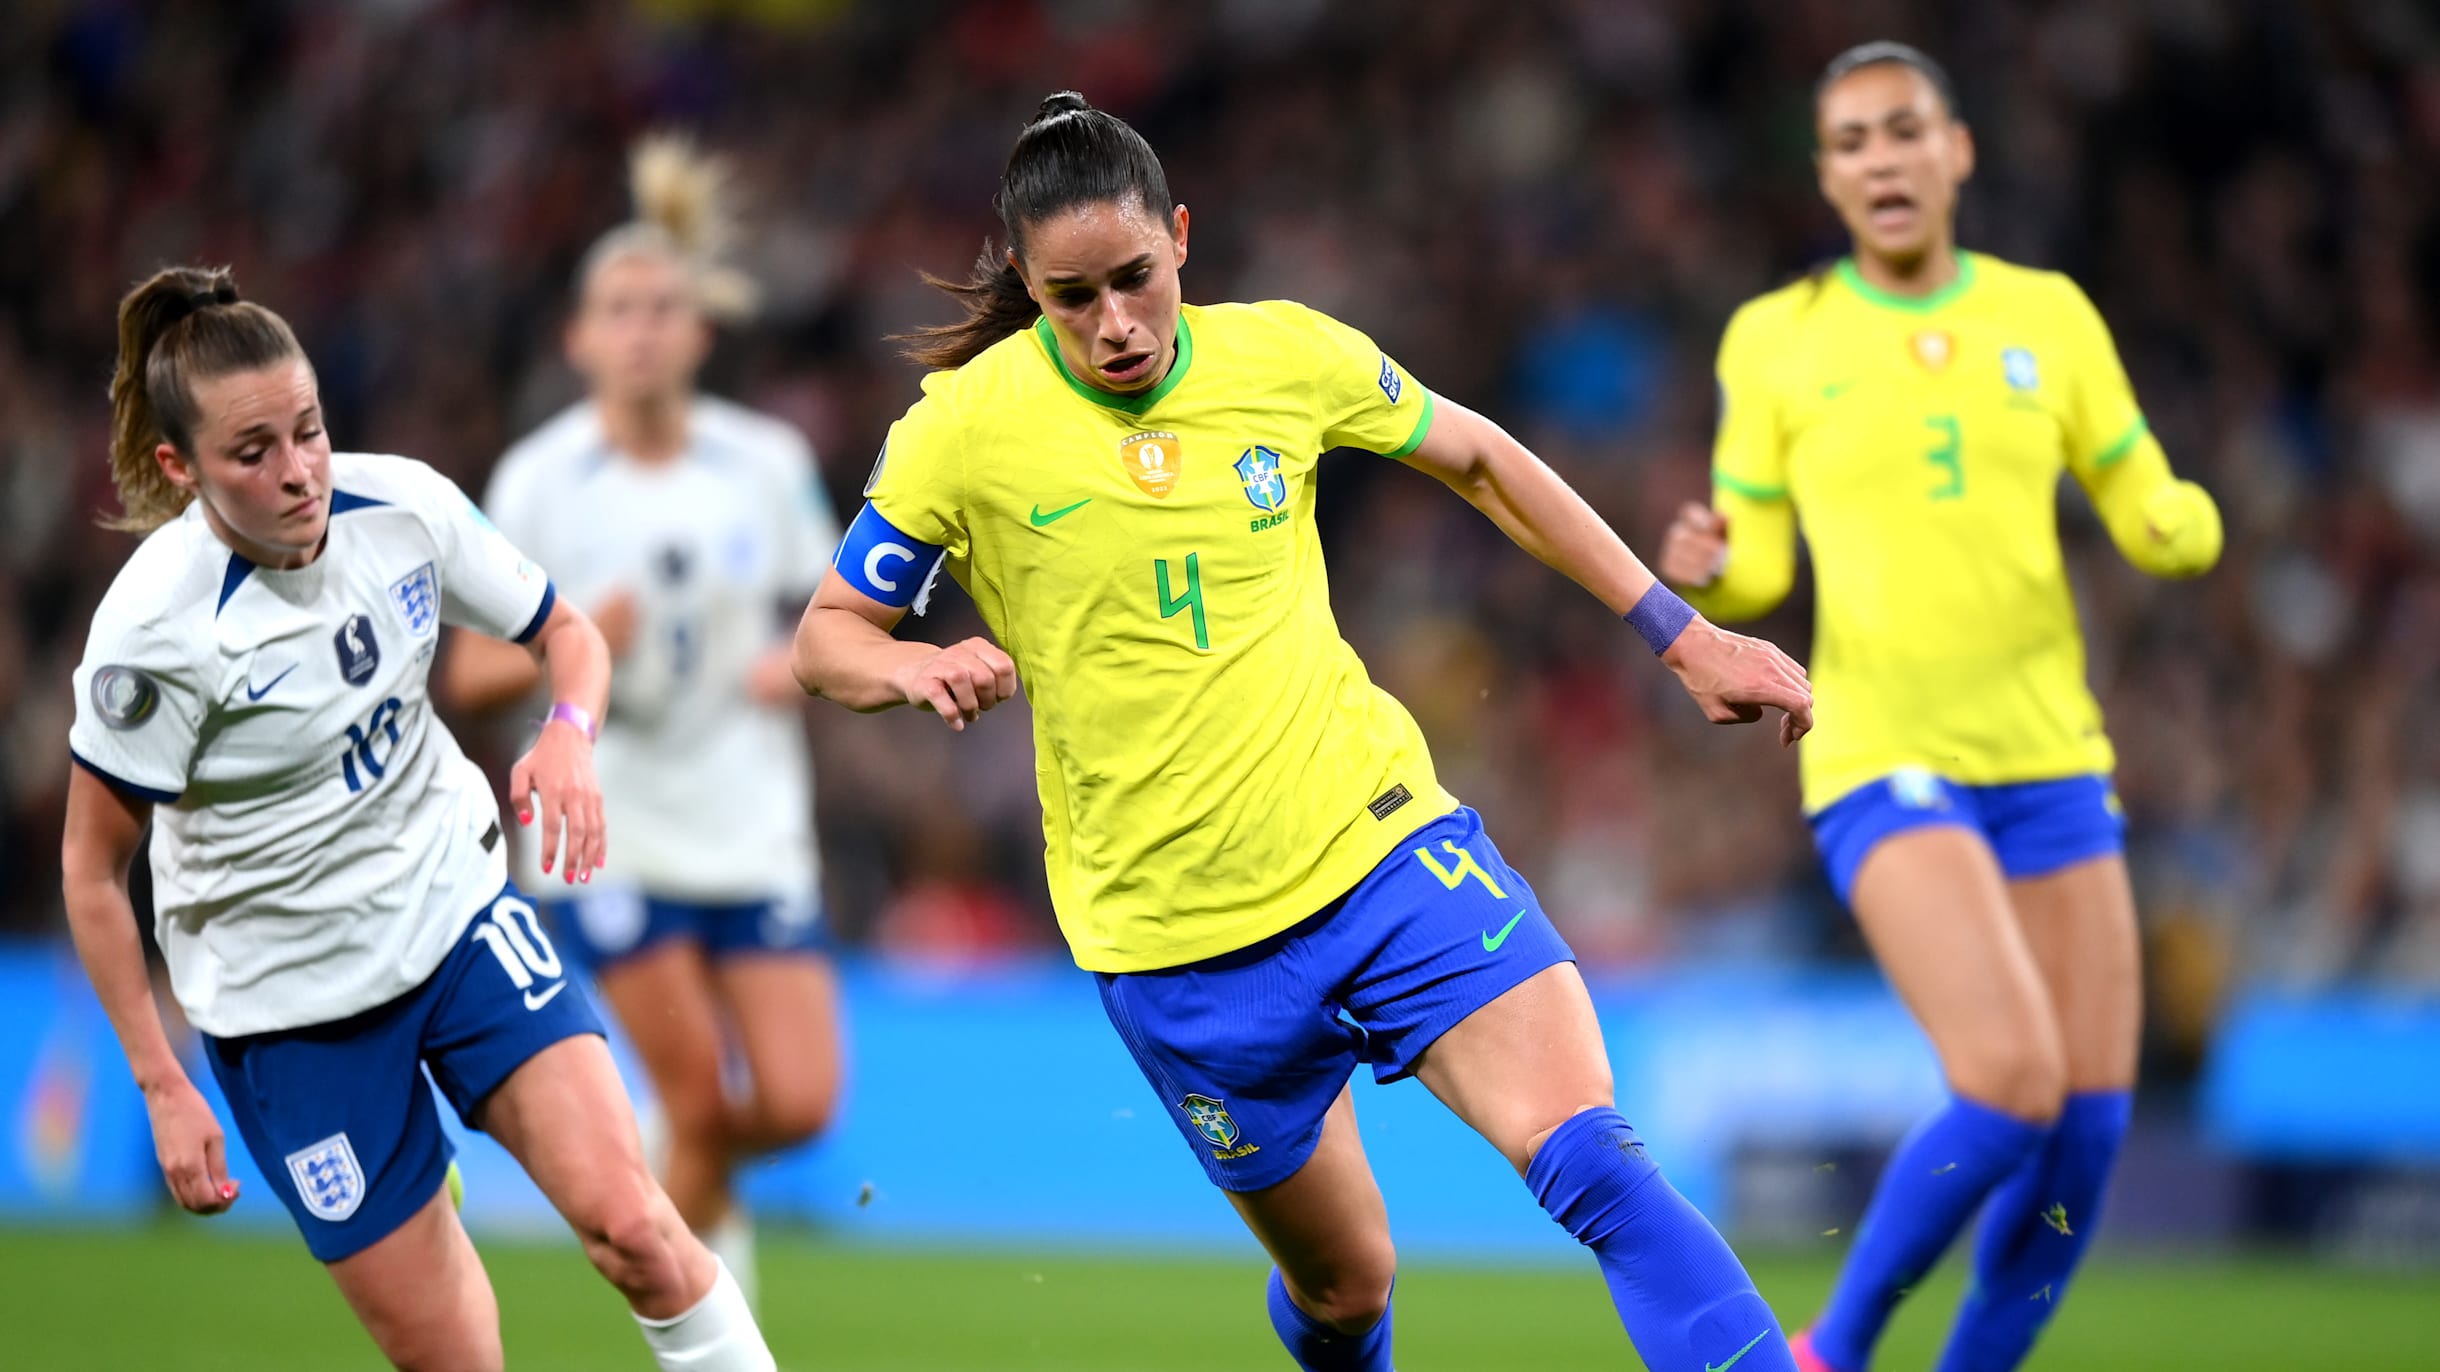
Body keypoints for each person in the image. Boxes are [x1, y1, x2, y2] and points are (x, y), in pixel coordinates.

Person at [795, 92, 1815, 1372]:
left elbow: (1485, 461)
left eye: (1135, 278)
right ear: (1023, 282)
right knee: (1346, 1287)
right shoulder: (963, 426)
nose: (1115, 324)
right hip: (1173, 946)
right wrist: (911, 662)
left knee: (1593, 1158)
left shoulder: (1283, 356)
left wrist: (1683, 633)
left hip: (1380, 854)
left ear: (1180, 237)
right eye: (1072, 297)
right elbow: (825, 636)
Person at [60, 266, 777, 1372]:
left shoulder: (403, 507)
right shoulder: (153, 635)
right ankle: (411, 1162)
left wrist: (571, 729)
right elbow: (94, 873)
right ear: (179, 467)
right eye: (253, 454)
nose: (299, 472)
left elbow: (566, 631)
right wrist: (163, 1082)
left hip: (456, 919)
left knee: (636, 1228)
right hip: (289, 1015)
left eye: (308, 430)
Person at [1657, 43, 2221, 1372]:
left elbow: (2142, 489)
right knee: (2013, 1078)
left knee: (2084, 1129)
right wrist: (1714, 566)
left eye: (1904, 131)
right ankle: (1829, 1352)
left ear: (1957, 150)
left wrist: (2178, 523)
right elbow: (1766, 560)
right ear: (1827, 177)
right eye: (1851, 142)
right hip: (1879, 749)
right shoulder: (1778, 337)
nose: (1882, 160)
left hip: (2051, 758)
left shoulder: (2051, 318)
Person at [442, 135, 844, 1306]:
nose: (643, 329)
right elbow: (468, 678)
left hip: (753, 811)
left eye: (664, 306)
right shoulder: (537, 481)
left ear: (700, 332)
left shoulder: (764, 462)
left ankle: (684, 1182)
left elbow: (834, 608)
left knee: (801, 1102)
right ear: (579, 338)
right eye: (618, 309)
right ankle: (707, 1322)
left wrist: (798, 661)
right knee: (705, 1097)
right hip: (615, 825)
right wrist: (566, 643)